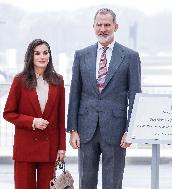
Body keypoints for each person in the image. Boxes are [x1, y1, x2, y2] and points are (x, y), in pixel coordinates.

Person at [67, 8, 141, 189]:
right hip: (86, 129)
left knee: (113, 183)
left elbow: (135, 96)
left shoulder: (130, 57)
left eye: (107, 25)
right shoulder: (81, 55)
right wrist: (73, 129)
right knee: (86, 181)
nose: (103, 29)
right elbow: (74, 93)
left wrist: (130, 131)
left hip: (116, 130)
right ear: (93, 27)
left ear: (116, 26)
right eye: (99, 25)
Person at [3, 39, 66, 189]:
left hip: (49, 147)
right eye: (37, 53)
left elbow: (60, 117)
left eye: (45, 53)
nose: (42, 57)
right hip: (25, 148)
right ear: (30, 56)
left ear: (50, 55)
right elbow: (8, 113)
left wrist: (61, 147)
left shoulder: (58, 80)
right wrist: (32, 121)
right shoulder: (20, 80)